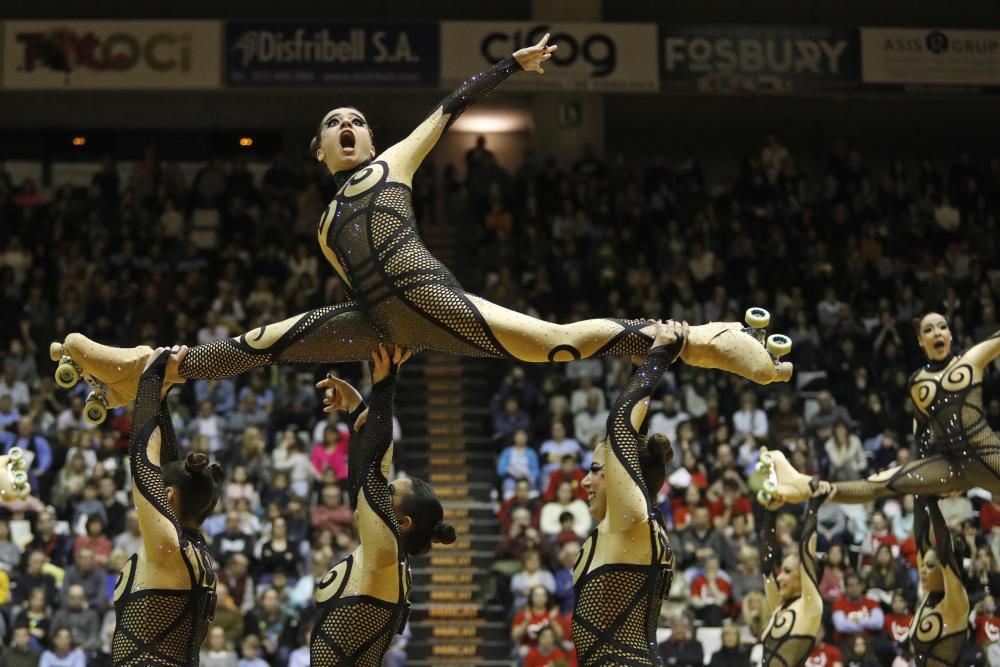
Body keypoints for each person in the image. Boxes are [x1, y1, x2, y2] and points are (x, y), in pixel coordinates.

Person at [52, 39, 792, 420]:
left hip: (437, 299)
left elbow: (450, 106)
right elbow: (361, 297)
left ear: (371, 139)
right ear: (317, 152)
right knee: (257, 344)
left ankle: (695, 339)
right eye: (332, 125)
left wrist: (512, 63)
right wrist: (387, 348)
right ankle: (141, 371)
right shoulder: (323, 223)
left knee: (559, 341)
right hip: (381, 317)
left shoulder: (393, 164)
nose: (347, 127)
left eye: (356, 121)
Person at [309, 345, 456, 664]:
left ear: (403, 522)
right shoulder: (385, 558)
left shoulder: (386, 556)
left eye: (388, 493)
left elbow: (374, 468)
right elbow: (362, 488)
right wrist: (355, 412)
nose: (377, 493)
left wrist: (384, 384)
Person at [759, 312, 1000, 506]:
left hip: (987, 452)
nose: (937, 332)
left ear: (949, 334)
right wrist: (928, 479)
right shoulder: (918, 382)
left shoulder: (971, 360)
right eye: (928, 329)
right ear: (920, 341)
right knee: (881, 483)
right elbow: (923, 435)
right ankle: (806, 486)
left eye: (942, 326)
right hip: (952, 465)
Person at [574, 321, 681, 665]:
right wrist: (639, 366)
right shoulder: (632, 523)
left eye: (594, 470)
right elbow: (630, 441)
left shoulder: (632, 522)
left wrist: (658, 357)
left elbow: (621, 424)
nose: (583, 482)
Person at [112, 347, 224, 665]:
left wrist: (148, 380)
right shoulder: (187, 551)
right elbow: (167, 468)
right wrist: (160, 398)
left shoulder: (170, 549)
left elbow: (143, 466)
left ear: (169, 496)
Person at [759, 491, 828, 666]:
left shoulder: (810, 606)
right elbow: (767, 566)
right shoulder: (779, 605)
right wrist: (770, 512)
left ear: (804, 575)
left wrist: (813, 504)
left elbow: (806, 549)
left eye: (788, 572)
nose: (780, 577)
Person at [909, 496, 969, 665]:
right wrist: (917, 495)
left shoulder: (956, 602)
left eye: (929, 566)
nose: (922, 569)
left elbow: (945, 551)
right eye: (923, 565)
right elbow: (920, 539)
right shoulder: (928, 595)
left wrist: (933, 505)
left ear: (943, 570)